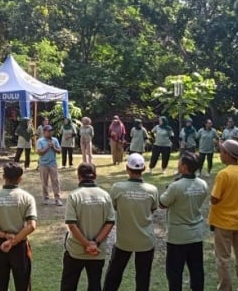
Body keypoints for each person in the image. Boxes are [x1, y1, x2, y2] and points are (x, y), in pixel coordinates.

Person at [103, 153, 158, 291]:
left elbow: (113, 208)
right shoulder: (152, 190)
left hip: (124, 241)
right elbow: (152, 209)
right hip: (145, 241)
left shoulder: (117, 188)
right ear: (144, 169)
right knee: (143, 277)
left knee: (114, 275)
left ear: (127, 168)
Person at [0, 162, 37, 291]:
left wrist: (5, 236)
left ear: (3, 176)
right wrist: (14, 241)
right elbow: (31, 226)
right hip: (20, 245)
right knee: (23, 285)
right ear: (20, 178)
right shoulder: (27, 198)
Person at [60, 163, 115, 291]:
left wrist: (86, 244)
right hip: (97, 251)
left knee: (69, 284)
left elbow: (72, 225)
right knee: (95, 284)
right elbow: (110, 222)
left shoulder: (74, 196)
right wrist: (95, 243)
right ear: (95, 176)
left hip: (75, 250)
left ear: (79, 176)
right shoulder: (105, 196)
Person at [159, 152, 209, 291]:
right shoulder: (202, 184)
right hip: (196, 234)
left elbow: (162, 204)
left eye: (179, 162)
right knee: (197, 270)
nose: (178, 164)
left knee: (174, 272)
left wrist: (170, 186)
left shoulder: (176, 186)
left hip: (178, 236)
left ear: (184, 167)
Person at [208, 140, 238, 291]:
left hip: (223, 222)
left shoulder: (224, 174)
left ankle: (224, 288)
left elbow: (215, 198)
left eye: (221, 151)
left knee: (223, 259)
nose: (220, 155)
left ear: (227, 154)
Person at [37, 125, 62, 206]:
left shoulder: (55, 140)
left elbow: (59, 151)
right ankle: (46, 198)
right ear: (44, 132)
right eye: (49, 131)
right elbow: (40, 152)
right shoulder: (40, 141)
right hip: (43, 164)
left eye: (51, 131)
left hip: (53, 164)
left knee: (55, 181)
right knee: (44, 182)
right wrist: (48, 146)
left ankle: (57, 198)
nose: (51, 132)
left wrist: (53, 147)